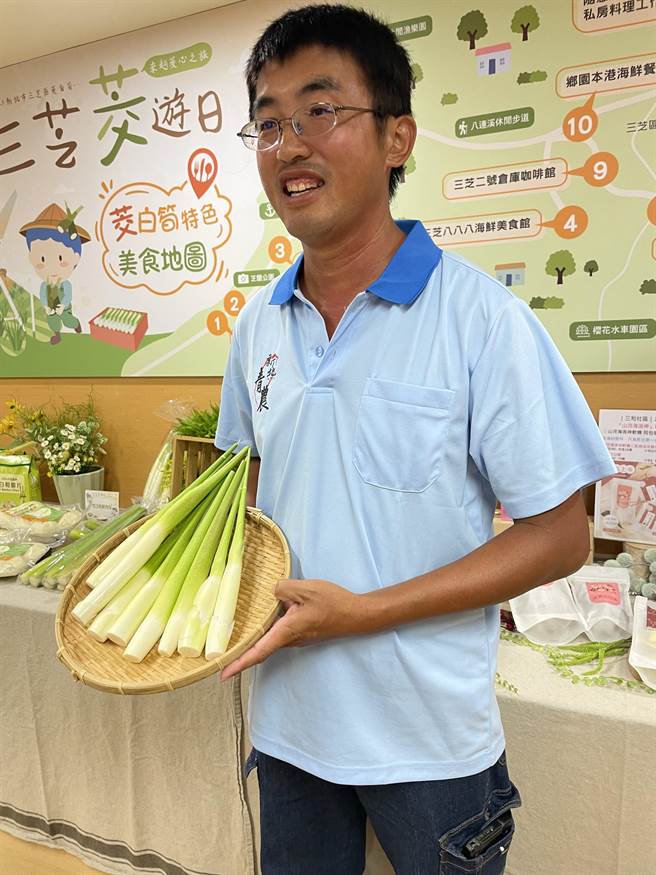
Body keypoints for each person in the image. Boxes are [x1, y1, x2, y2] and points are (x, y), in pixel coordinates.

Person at [215, 6, 616, 873]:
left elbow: (561, 535)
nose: (289, 144)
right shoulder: (257, 327)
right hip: (287, 728)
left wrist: (361, 613)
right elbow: (245, 495)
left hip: (429, 745)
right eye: (270, 121)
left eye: (320, 111)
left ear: (397, 137)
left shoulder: (483, 320)